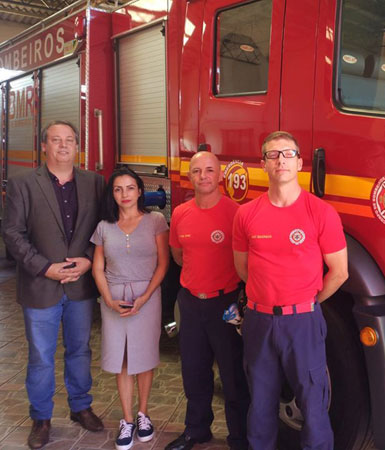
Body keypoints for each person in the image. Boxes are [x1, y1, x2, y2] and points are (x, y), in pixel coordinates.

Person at [232, 131, 348, 450]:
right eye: (272, 155)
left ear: (299, 162)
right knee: (260, 403)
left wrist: (308, 302)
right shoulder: (246, 215)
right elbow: (244, 269)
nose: (280, 160)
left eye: (287, 154)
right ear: (263, 164)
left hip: (304, 324)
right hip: (259, 322)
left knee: (314, 404)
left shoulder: (321, 212)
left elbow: (339, 272)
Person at [2, 121, 105, 449]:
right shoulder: (22, 184)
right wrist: (44, 268)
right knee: (41, 356)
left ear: (78, 146)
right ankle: (41, 417)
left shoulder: (95, 183)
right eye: (56, 140)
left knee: (80, 349)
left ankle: (80, 406)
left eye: (70, 140)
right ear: (43, 145)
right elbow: (13, 234)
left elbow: (105, 228)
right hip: (41, 284)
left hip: (79, 284)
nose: (63, 146)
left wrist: (89, 260)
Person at [166, 151, 249, 450]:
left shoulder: (236, 213)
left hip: (225, 304)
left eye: (210, 170)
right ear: (190, 176)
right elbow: (178, 255)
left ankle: (240, 438)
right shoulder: (180, 213)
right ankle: (196, 430)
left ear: (220, 176)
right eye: (197, 171)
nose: (203, 176)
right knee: (194, 372)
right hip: (190, 302)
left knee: (233, 375)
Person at [91, 167, 169, 450]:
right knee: (122, 360)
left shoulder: (156, 221)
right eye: (118, 189)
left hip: (146, 295)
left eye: (130, 188)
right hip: (114, 297)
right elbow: (98, 267)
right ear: (112, 194)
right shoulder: (103, 226)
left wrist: (146, 295)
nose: (125, 194)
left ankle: (143, 414)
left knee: (144, 357)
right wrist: (107, 299)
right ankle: (126, 419)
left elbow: (163, 263)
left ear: (140, 191)